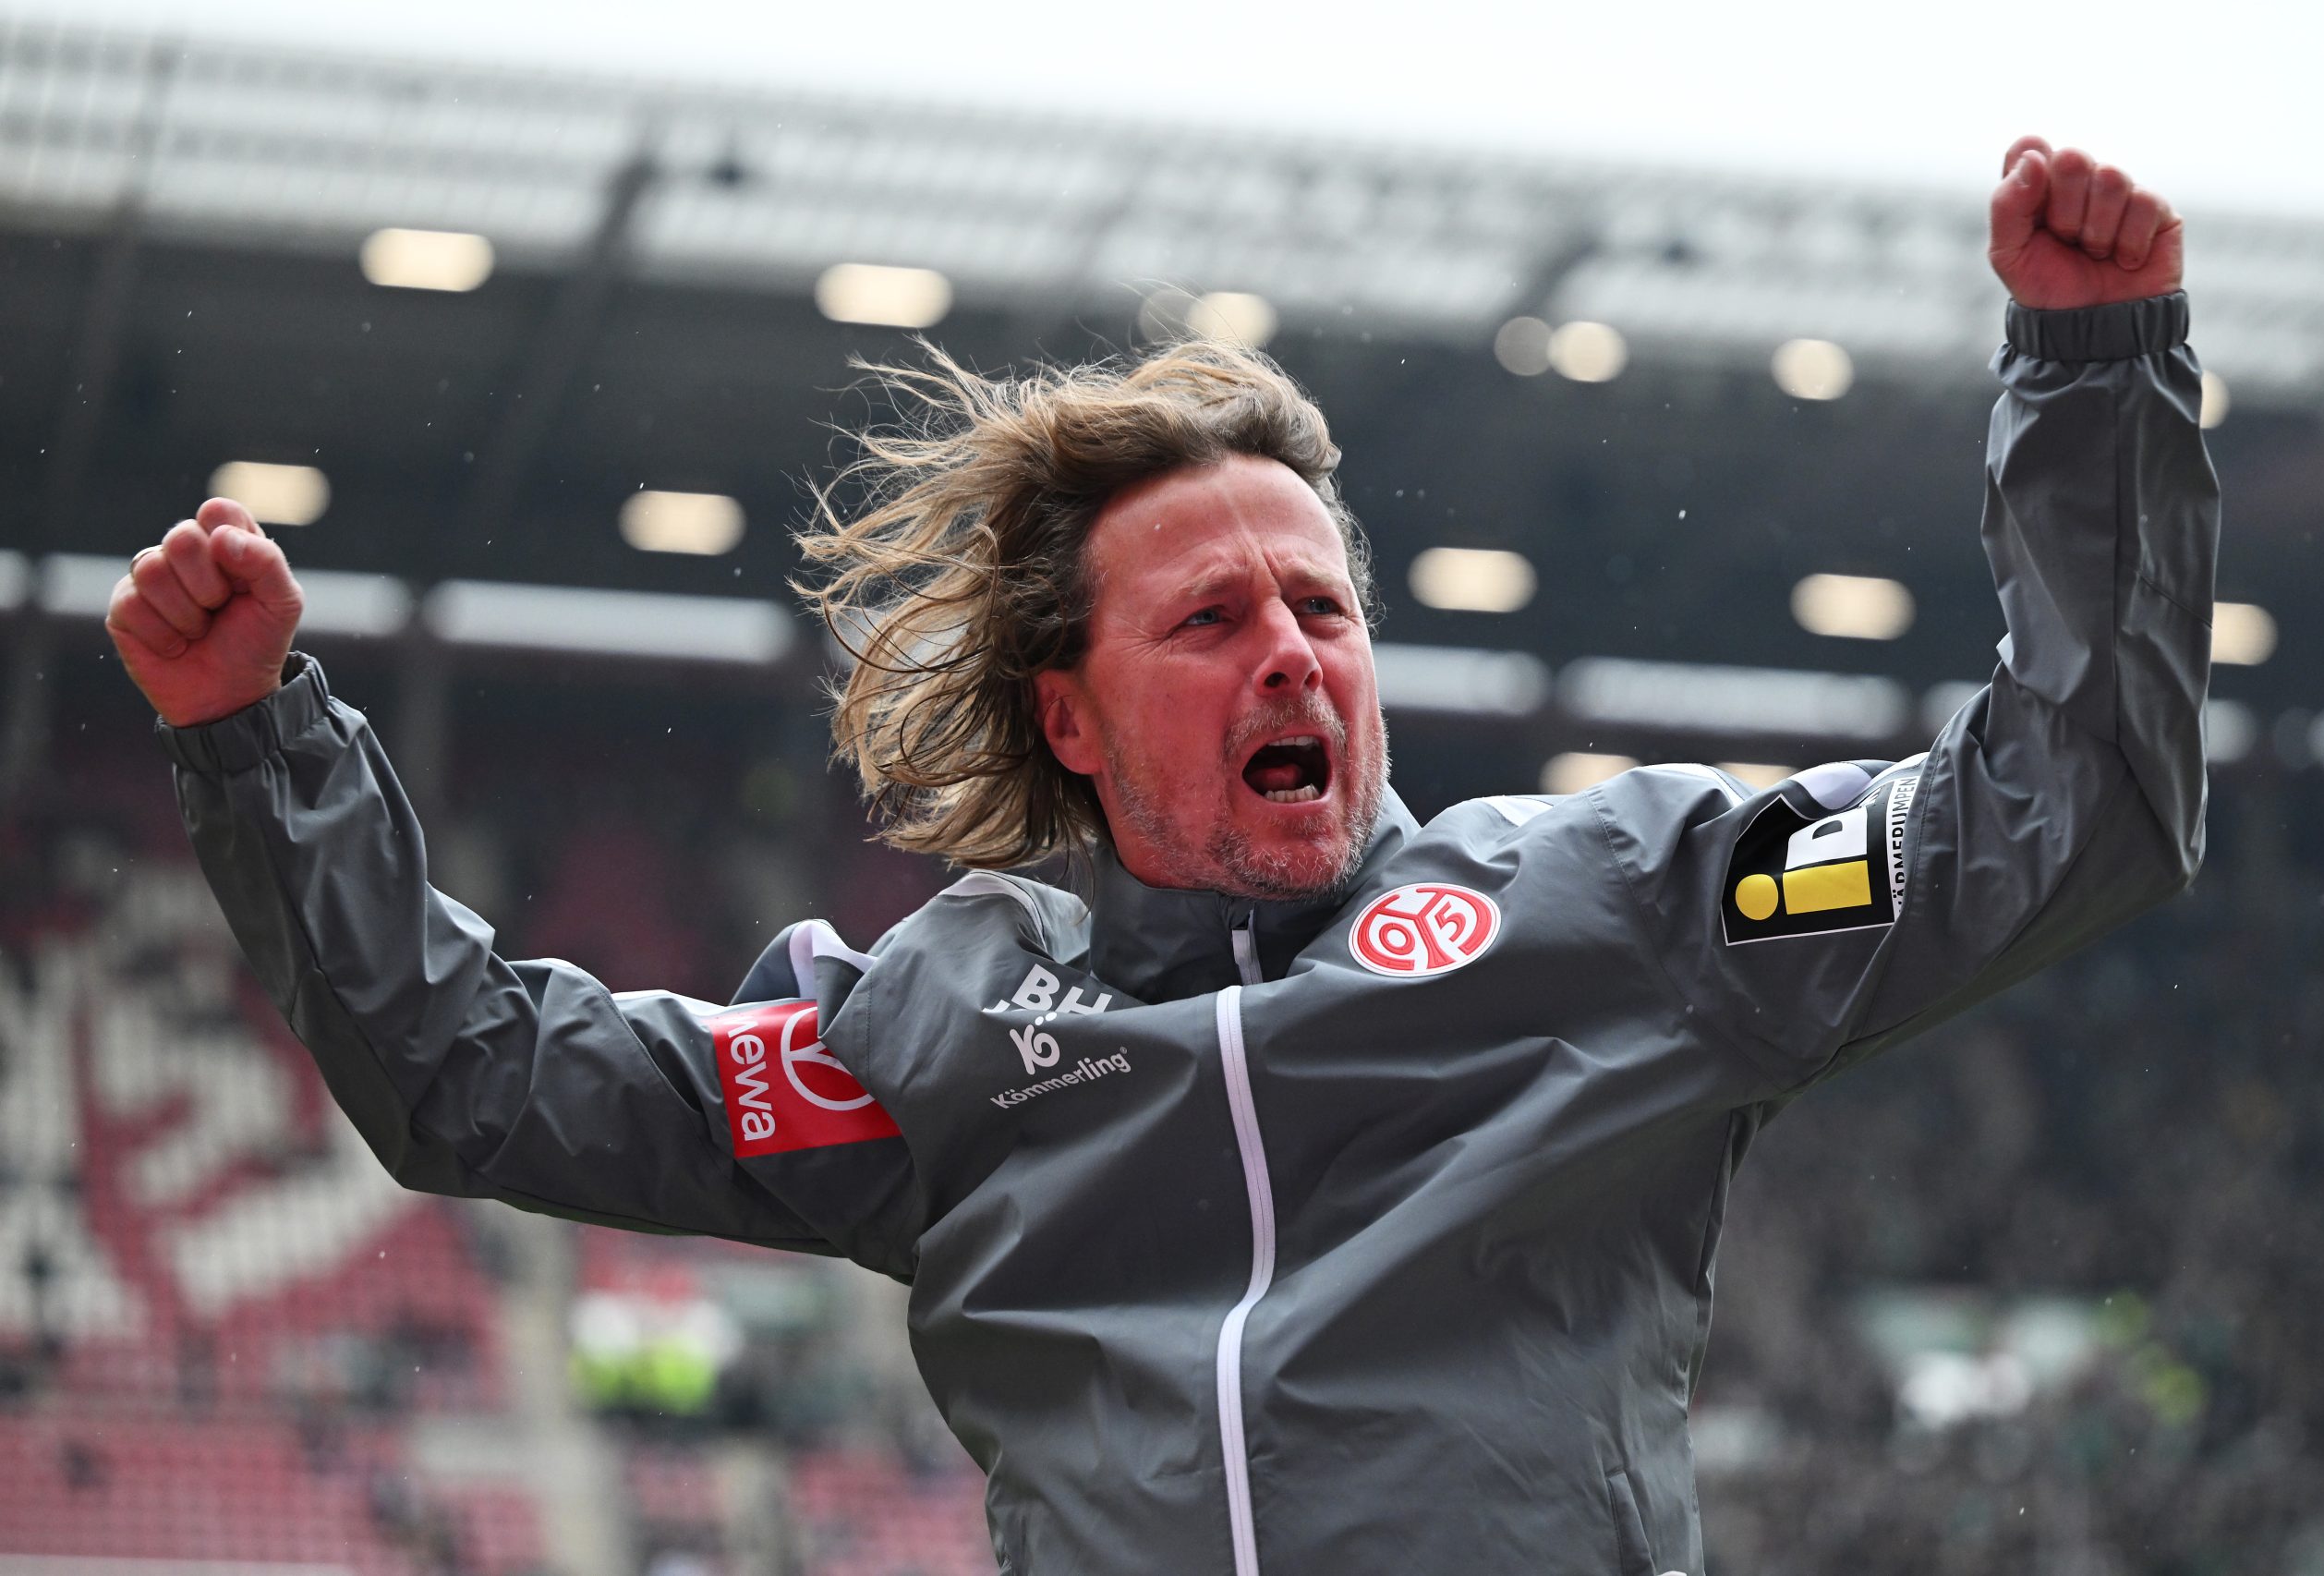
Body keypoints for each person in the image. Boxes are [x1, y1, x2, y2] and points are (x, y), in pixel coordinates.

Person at [111, 135, 2215, 1575]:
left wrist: (2095, 379)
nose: (1291, 650)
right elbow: (478, 1072)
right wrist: (260, 737)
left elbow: (2064, 812)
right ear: (1070, 717)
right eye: (1209, 619)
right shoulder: (934, 1029)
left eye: (1322, 608)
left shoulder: (1621, 909)